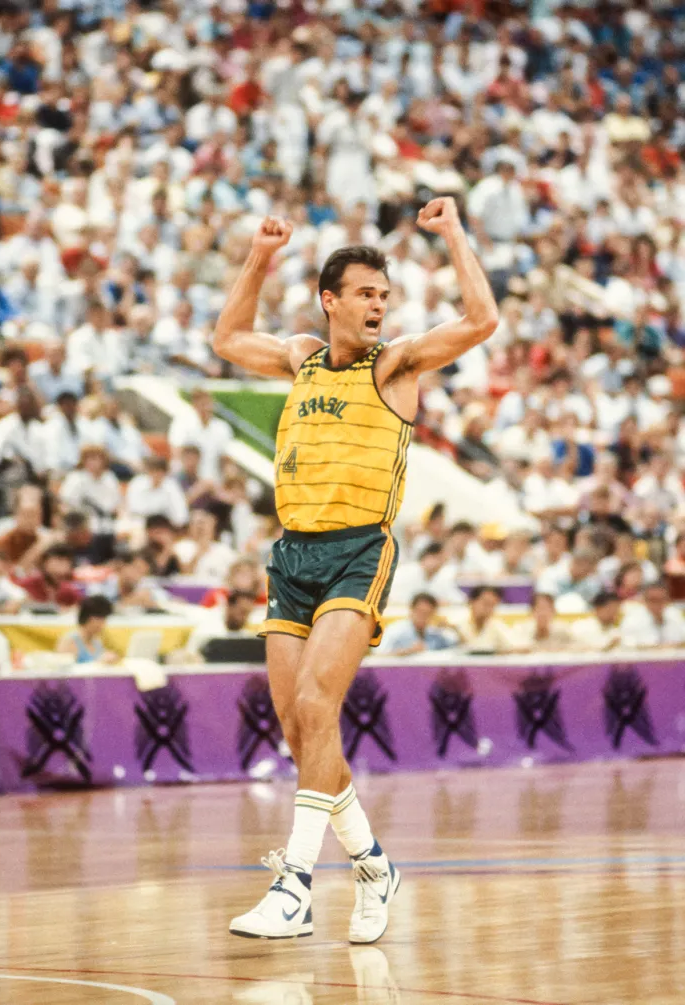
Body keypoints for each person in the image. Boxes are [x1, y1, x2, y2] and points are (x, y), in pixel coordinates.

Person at [212, 203, 498, 942]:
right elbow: (227, 337)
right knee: (301, 727)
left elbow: (481, 320)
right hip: (293, 551)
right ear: (329, 298)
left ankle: (295, 885)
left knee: (316, 700)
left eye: (385, 294)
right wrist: (260, 256)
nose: (378, 305)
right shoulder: (301, 355)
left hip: (358, 549)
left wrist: (453, 233)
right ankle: (373, 866)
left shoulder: (396, 363)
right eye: (366, 292)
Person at [379, 592, 458, 656]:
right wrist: (406, 652)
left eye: (427, 613)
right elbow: (378, 655)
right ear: (411, 610)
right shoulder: (395, 630)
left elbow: (457, 649)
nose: (423, 617)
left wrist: (453, 628)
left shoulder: (435, 633)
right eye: (420, 612)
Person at [449, 585, 516, 654]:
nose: (488, 609)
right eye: (486, 603)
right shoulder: (454, 623)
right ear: (471, 601)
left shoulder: (497, 625)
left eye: (493, 605)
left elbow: (514, 647)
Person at [620, 580, 685, 649]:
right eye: (652, 600)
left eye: (661, 599)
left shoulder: (675, 615)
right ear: (644, 600)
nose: (657, 604)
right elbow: (627, 645)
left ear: (667, 600)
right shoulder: (632, 619)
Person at [56, 595, 116, 664]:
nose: (103, 625)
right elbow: (65, 671)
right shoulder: (69, 641)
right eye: (101, 620)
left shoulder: (96, 641)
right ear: (89, 618)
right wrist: (99, 662)